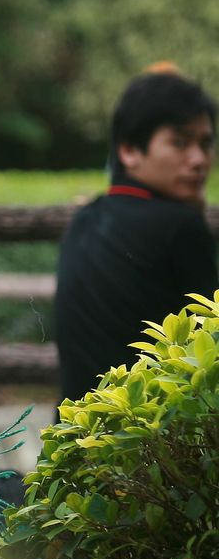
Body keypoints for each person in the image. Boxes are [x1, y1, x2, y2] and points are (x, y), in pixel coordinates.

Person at [56, 68, 217, 400]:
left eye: (205, 143)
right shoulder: (180, 225)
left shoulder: (85, 219)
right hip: (150, 440)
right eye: (180, 142)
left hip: (76, 432)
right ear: (129, 150)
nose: (199, 160)